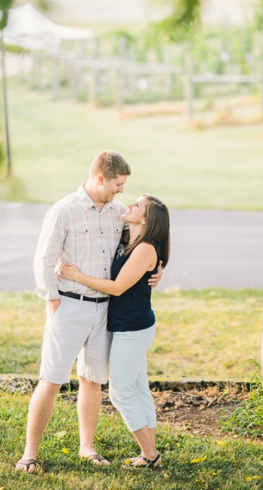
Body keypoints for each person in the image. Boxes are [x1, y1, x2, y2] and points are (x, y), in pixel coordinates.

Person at [15, 151, 161, 473]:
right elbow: (44, 258)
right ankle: (29, 454)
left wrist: (159, 267)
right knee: (51, 381)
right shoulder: (64, 210)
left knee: (91, 379)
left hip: (104, 312)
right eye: (118, 184)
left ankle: (87, 448)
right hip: (68, 306)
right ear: (100, 179)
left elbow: (146, 238)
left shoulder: (119, 213)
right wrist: (53, 301)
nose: (121, 191)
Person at [56, 193, 169, 470]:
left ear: (146, 219)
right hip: (126, 326)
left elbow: (118, 287)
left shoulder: (145, 248)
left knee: (120, 393)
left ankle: (150, 454)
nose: (130, 204)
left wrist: (77, 276)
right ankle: (148, 453)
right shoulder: (128, 240)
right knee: (140, 389)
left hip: (133, 329)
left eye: (138, 205)